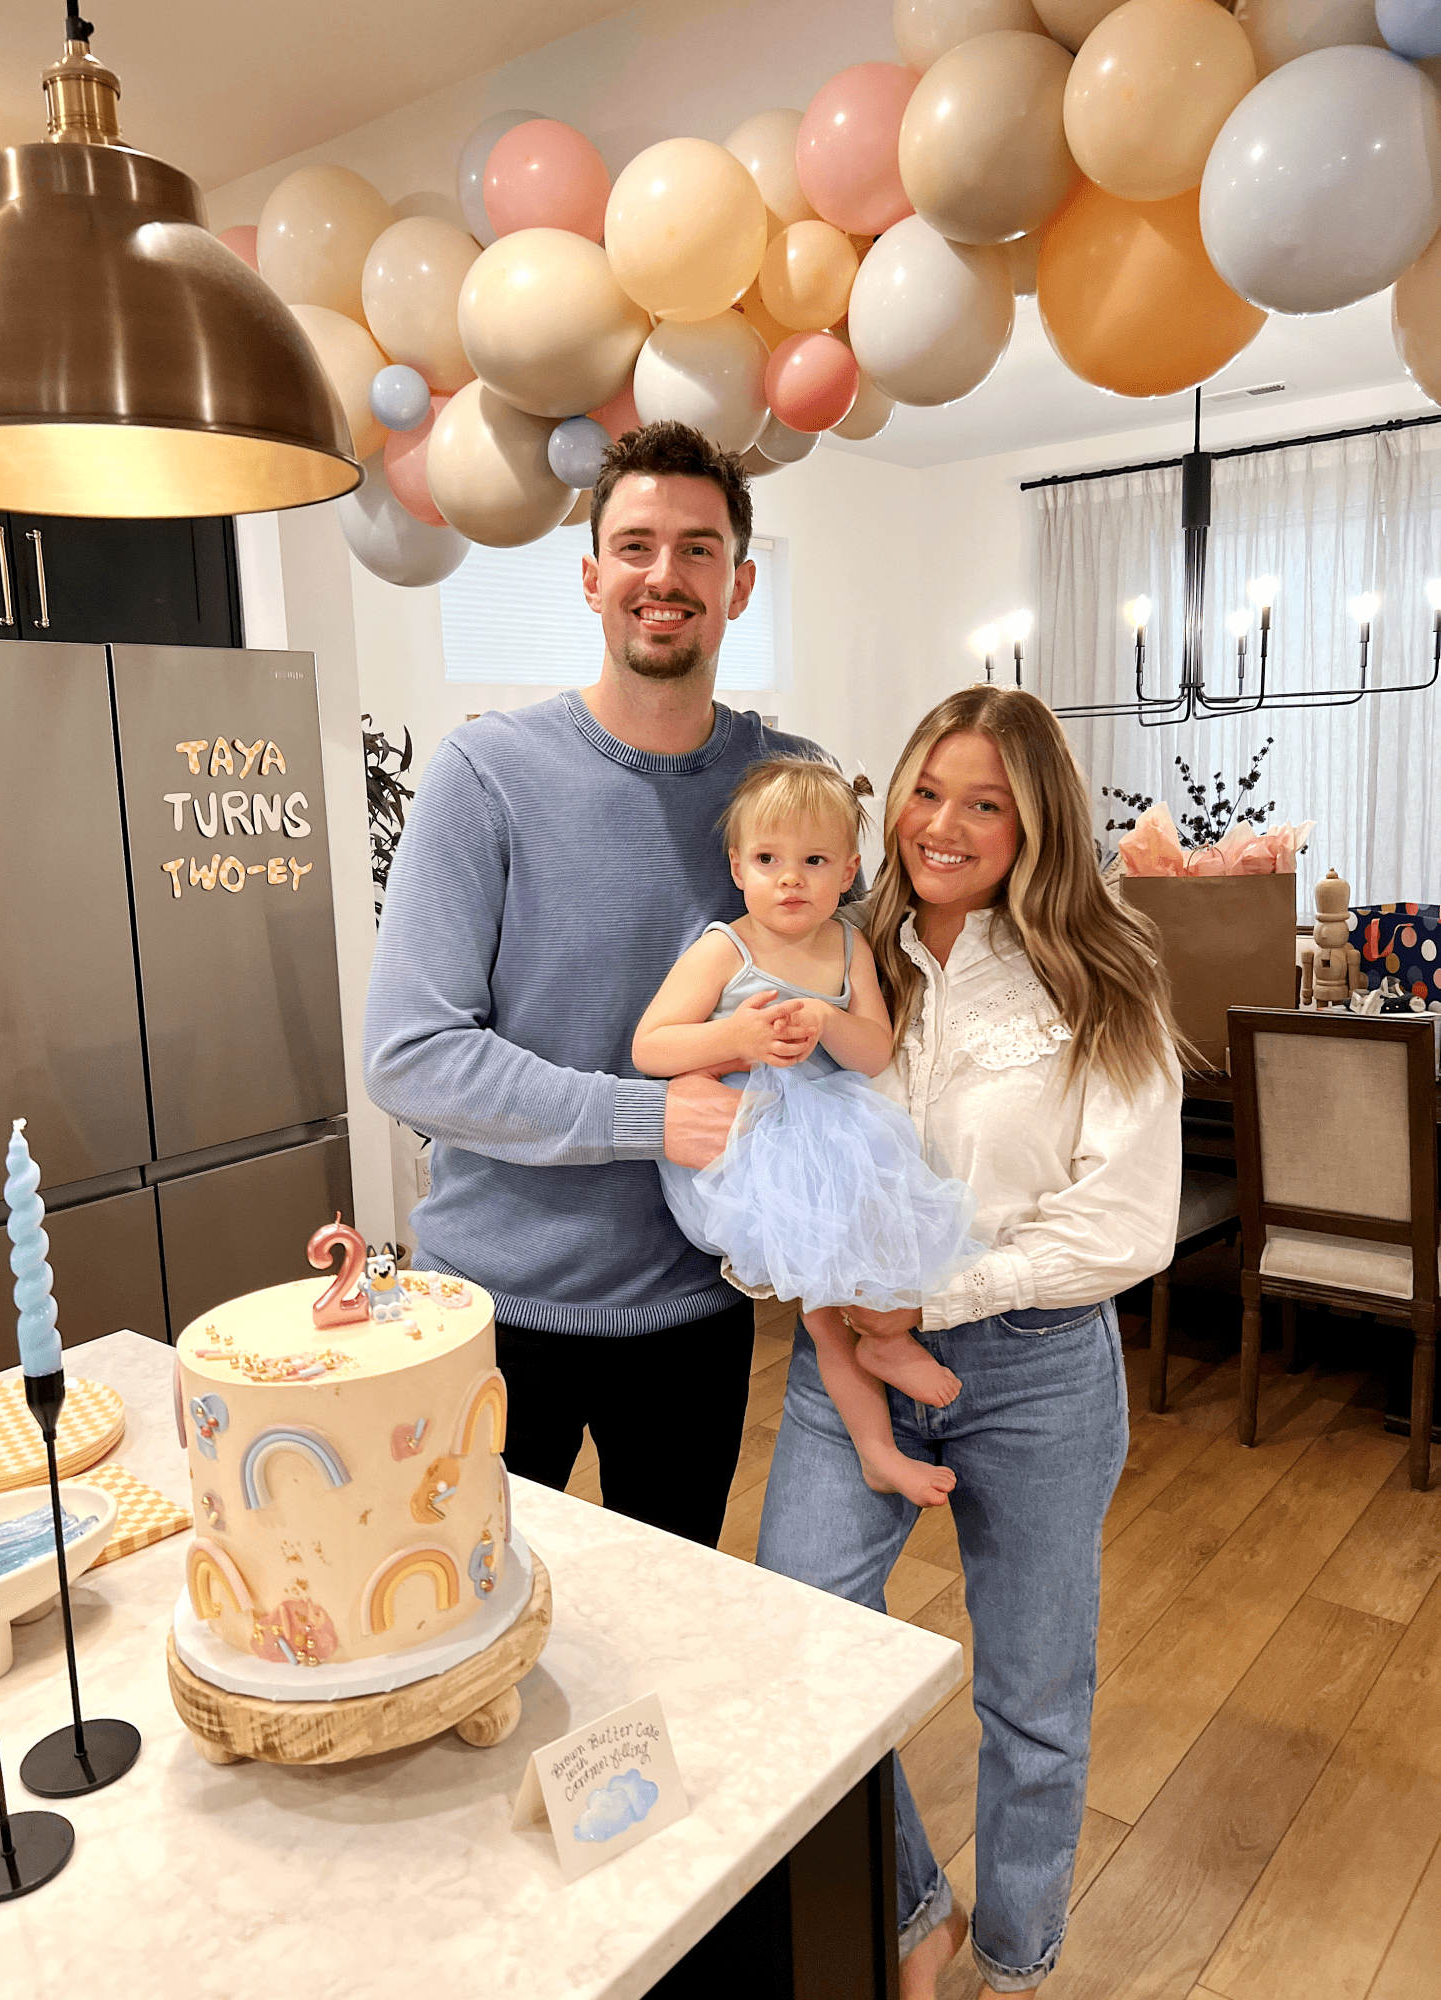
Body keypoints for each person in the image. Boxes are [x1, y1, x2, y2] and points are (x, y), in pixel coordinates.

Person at [755, 687, 1183, 1997]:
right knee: (802, 1633)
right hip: (847, 1366)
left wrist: (932, 1301)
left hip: (1040, 1371)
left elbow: (1125, 1221)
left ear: (1032, 819)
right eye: (926, 792)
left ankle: (1014, 1962)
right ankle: (915, 1914)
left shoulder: (1101, 972)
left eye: (983, 802)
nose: (943, 825)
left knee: (1036, 1702)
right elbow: (780, 1130)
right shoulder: (835, 943)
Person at [363, 421, 837, 1549]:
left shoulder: (792, 788)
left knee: (664, 1638)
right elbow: (409, 1052)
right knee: (466, 1622)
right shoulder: (486, 775)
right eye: (634, 546)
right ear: (590, 577)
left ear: (741, 582)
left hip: (698, 1308)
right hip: (492, 1311)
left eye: (697, 549)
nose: (663, 576)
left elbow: (839, 1019)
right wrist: (644, 1114)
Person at [632, 755, 978, 1508]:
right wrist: (739, 1040)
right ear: (738, 867)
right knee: (824, 1316)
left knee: (884, 1252)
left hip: (838, 1135)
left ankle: (887, 1343)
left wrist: (826, 1017)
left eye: (814, 862)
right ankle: (878, 1445)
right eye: (768, 861)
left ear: (849, 870)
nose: (790, 880)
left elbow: (875, 1050)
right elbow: (651, 1047)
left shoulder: (849, 947)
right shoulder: (728, 947)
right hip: (753, 1144)